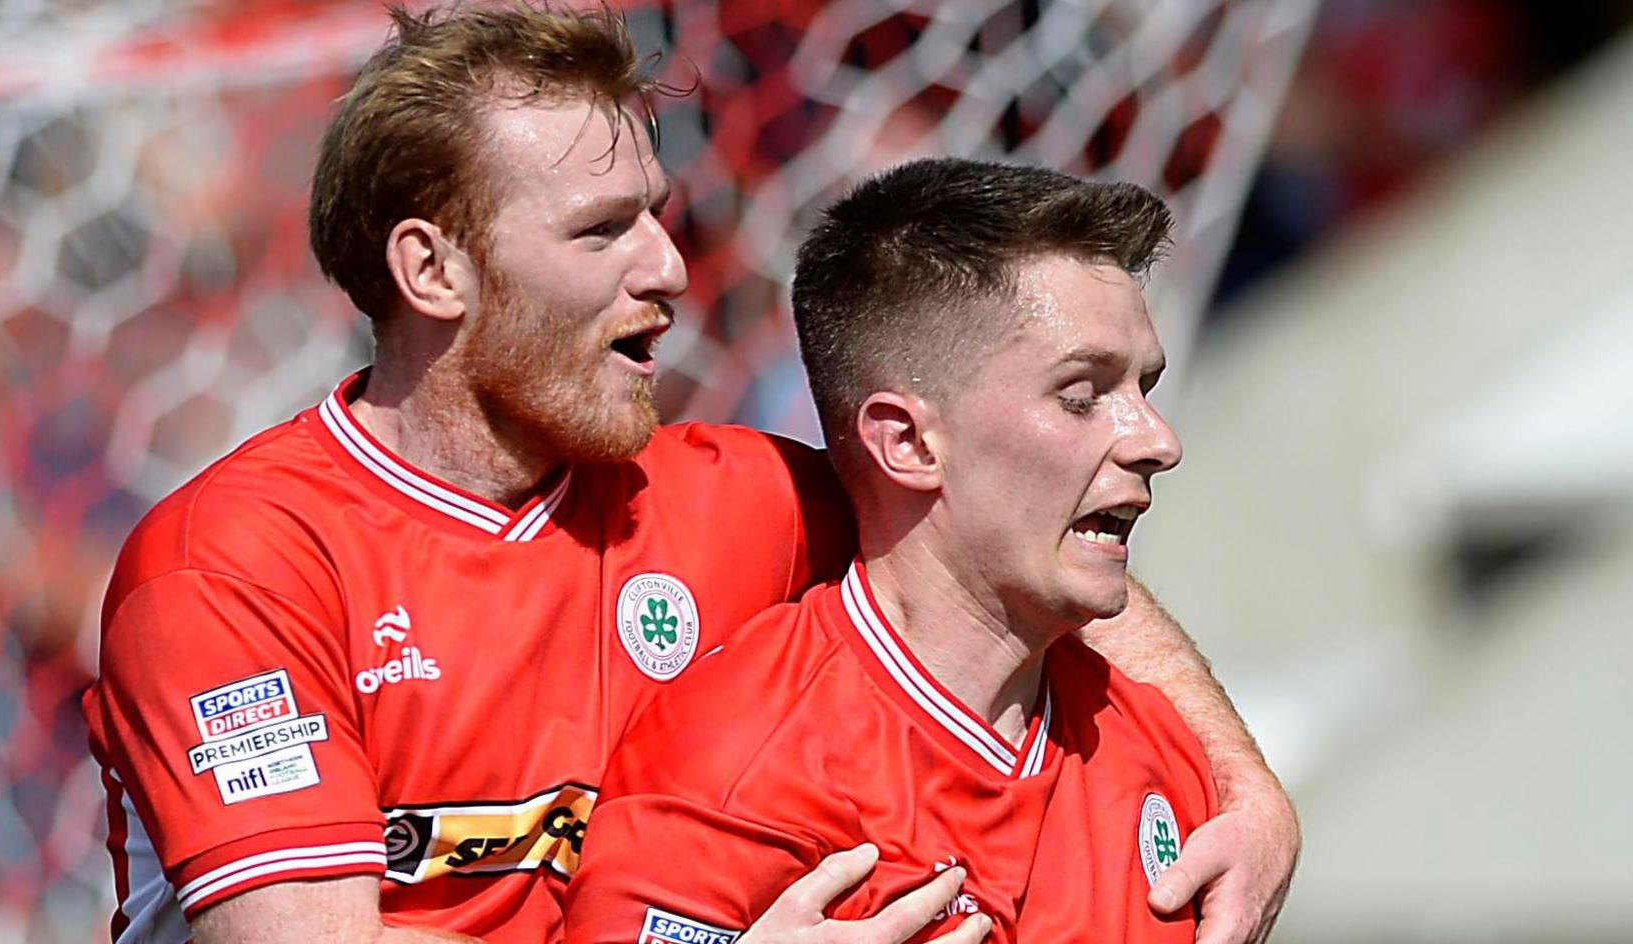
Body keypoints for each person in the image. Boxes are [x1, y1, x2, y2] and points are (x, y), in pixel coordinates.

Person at [81, 5, 1296, 944]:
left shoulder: (724, 496)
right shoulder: (232, 565)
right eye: (601, 230)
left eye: (658, 215)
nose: (668, 264)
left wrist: (1244, 786)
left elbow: (1006, 538)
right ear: (430, 270)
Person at [566, 158, 1223, 944]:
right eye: (1082, 395)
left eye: (1145, 389)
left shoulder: (1156, 746)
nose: (1158, 441)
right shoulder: (737, 768)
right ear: (908, 443)